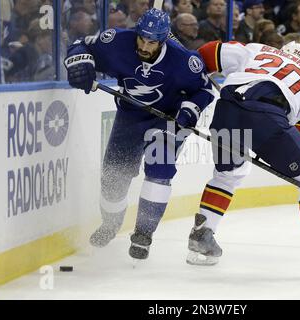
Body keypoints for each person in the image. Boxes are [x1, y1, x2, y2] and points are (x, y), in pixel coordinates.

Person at [187, 40, 300, 279]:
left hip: (226, 110)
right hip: (266, 114)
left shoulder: (256, 49)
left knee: (228, 174)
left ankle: (202, 235)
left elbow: (206, 54)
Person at [64, 8, 214, 260]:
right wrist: (80, 62)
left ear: (163, 39)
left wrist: (188, 112)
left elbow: (205, 90)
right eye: (141, 38)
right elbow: (80, 45)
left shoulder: (183, 62)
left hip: (166, 121)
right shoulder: (116, 42)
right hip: (129, 117)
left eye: (152, 41)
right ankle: (110, 224)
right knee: (114, 175)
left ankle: (144, 234)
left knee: (159, 171)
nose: (144, 45)